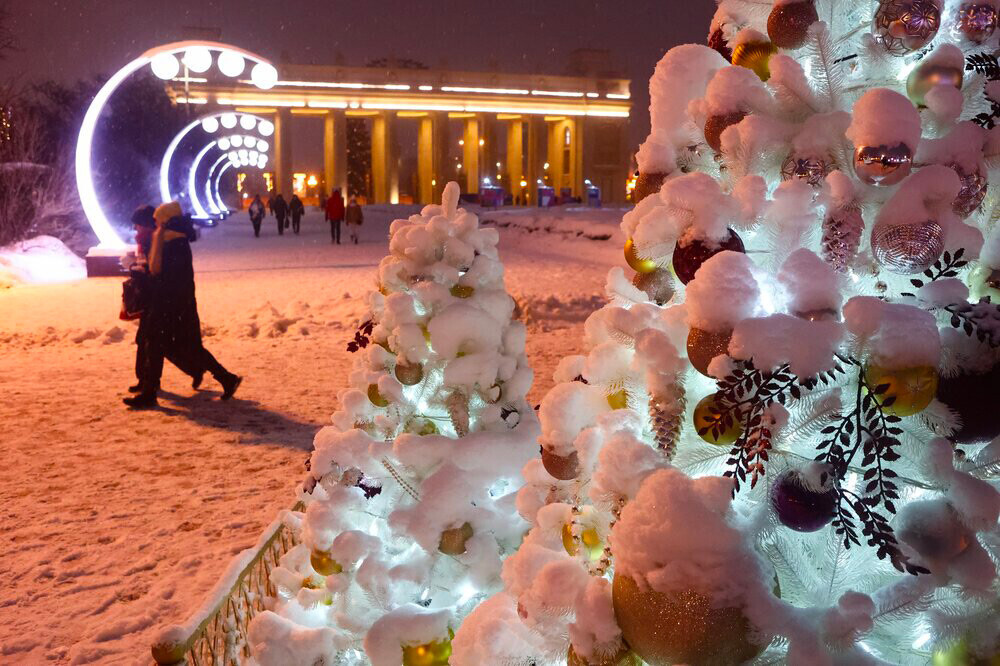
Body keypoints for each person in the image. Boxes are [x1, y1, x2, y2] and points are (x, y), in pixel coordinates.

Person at [124, 201, 241, 409]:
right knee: (163, 345)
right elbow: (164, 276)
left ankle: (152, 391)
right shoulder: (170, 240)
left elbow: (167, 279)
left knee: (174, 346)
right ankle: (225, 378)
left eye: (158, 221)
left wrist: (139, 274)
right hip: (172, 304)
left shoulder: (173, 243)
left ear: (166, 221)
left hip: (173, 305)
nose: (156, 225)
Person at [125, 206, 204, 396]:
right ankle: (146, 383)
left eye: (138, 226)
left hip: (166, 300)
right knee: (148, 340)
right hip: (157, 298)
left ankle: (150, 386)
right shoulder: (156, 240)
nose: (136, 230)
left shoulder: (168, 241)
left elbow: (161, 275)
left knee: (162, 343)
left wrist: (137, 271)